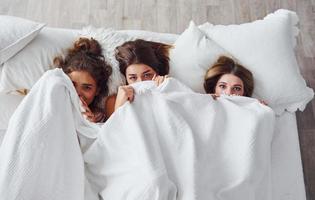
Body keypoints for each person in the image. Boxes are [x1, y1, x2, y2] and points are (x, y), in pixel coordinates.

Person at [54, 37, 112, 122]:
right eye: (72, 84)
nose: (77, 93)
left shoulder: (99, 119)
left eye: (87, 87)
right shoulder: (52, 103)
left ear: (97, 91)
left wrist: (90, 126)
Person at [107, 39, 172, 113]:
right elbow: (115, 124)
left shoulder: (168, 88)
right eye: (133, 78)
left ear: (157, 72)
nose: (140, 82)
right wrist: (119, 106)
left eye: (147, 75)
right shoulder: (113, 101)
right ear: (126, 78)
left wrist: (168, 91)